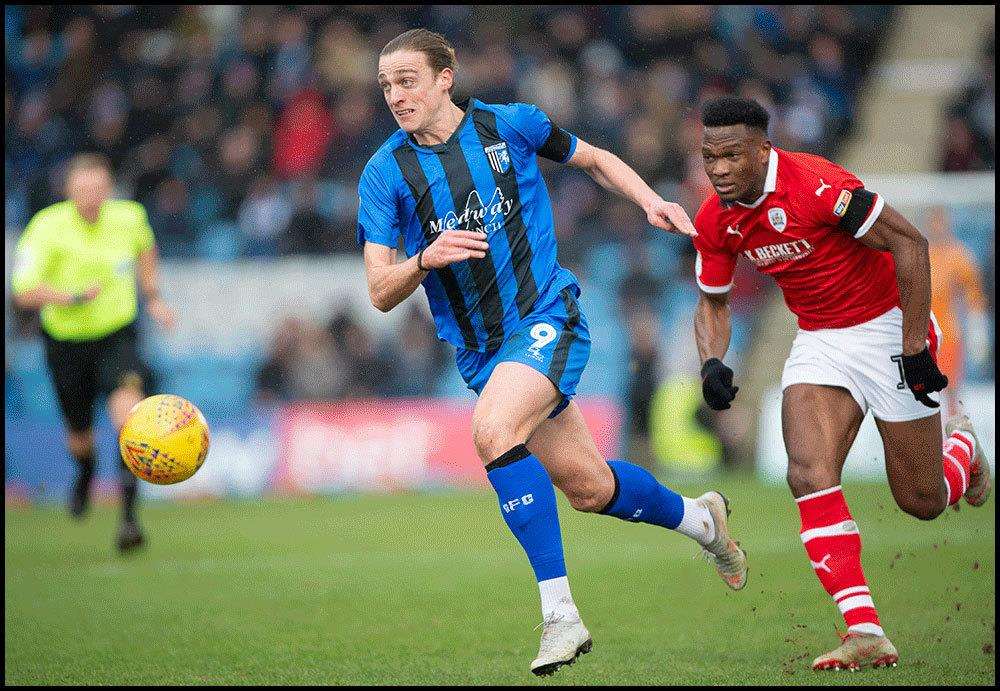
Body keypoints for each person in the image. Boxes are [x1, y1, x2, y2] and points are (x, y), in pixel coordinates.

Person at [357, 29, 748, 677]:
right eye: (386, 86)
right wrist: (423, 258)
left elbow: (593, 159)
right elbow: (378, 290)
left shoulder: (511, 125)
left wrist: (651, 200)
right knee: (590, 487)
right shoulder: (384, 173)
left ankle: (560, 614)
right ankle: (703, 521)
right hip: (483, 354)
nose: (396, 96)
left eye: (407, 81)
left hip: (547, 316)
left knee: (492, 430)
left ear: (445, 77)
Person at [690, 97, 991, 672]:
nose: (719, 169)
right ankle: (865, 629)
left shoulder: (818, 185)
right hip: (821, 339)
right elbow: (713, 302)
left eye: (731, 155)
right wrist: (711, 362)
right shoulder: (716, 218)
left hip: (887, 327)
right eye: (710, 157)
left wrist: (913, 346)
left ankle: (963, 449)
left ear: (762, 150)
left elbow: (909, 243)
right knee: (806, 472)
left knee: (921, 500)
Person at [11, 153, 177, 553]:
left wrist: (151, 295)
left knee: (131, 421)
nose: (93, 197)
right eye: (84, 189)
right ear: (69, 191)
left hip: (117, 335)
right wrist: (70, 297)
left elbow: (146, 248)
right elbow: (23, 290)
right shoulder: (46, 228)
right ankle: (85, 472)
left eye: (100, 188)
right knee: (80, 436)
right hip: (66, 342)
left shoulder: (129, 216)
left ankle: (128, 520)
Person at [925, 205, 990, 416]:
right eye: (934, 222)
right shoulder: (922, 254)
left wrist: (977, 328)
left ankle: (954, 436)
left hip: (949, 336)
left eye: (941, 221)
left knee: (951, 390)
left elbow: (974, 294)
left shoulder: (958, 256)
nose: (938, 226)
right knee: (924, 393)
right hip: (922, 336)